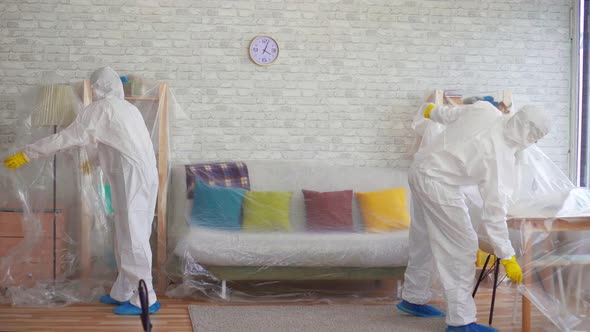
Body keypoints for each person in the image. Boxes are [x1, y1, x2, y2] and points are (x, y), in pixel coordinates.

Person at [3, 67, 160, 316]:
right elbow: (116, 141)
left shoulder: (102, 109)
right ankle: (124, 290)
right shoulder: (128, 108)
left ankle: (145, 297)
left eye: (95, 85)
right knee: (126, 233)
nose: (93, 90)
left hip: (132, 178)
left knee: (133, 236)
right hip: (138, 176)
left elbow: (68, 137)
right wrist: (94, 160)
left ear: (98, 87)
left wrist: (27, 153)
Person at [397, 101, 551, 332]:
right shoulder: (501, 157)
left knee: (423, 240)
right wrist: (507, 255)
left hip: (419, 169)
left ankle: (413, 297)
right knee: (463, 247)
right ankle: (461, 322)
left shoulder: (485, 109)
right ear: (529, 134)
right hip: (438, 184)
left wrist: (432, 111)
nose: (533, 143)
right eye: (535, 137)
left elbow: (451, 114)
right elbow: (494, 213)